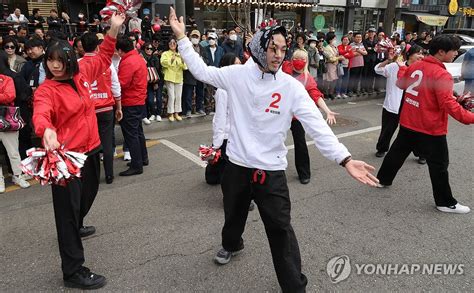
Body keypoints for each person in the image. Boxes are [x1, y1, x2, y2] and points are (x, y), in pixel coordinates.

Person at [169, 7, 378, 292]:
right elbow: (201, 70)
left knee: (280, 229)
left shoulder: (291, 87)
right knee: (233, 214)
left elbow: (317, 125)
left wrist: (345, 158)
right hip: (238, 166)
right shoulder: (236, 76)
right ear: (258, 48)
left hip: (271, 171)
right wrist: (182, 38)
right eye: (272, 48)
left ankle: (295, 286)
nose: (279, 54)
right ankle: (232, 244)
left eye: (283, 49)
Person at [32, 12, 125, 289]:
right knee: (66, 213)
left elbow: (105, 57)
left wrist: (113, 30)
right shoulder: (46, 89)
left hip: (90, 149)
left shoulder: (82, 75)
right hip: (64, 159)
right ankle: (73, 271)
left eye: (60, 60)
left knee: (89, 193)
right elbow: (41, 114)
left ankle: (76, 222)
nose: (55, 65)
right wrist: (46, 130)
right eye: (50, 60)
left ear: (71, 59)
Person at [377, 35, 474, 214]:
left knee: (397, 153)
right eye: (453, 50)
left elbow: (400, 83)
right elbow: (447, 104)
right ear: (441, 52)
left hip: (409, 120)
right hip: (430, 127)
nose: (455, 54)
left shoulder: (416, 66)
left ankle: (382, 179)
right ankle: (445, 202)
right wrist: (470, 117)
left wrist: (401, 69)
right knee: (439, 165)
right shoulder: (441, 73)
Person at [282, 49, 338, 184]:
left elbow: (316, 95)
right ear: (292, 59)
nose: (299, 61)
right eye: (296, 58)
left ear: (306, 61)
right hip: (280, 113)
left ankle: (304, 173)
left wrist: (327, 110)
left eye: (302, 59)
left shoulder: (307, 78)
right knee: (273, 141)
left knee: (300, 143)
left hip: (296, 116)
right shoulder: (284, 68)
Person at [79, 32, 122, 184]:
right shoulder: (106, 62)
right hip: (106, 108)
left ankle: (94, 176)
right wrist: (119, 106)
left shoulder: (77, 64)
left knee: (91, 144)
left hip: (89, 110)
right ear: (97, 46)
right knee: (107, 142)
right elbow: (116, 87)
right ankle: (109, 175)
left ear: (82, 47)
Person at [374, 45, 423, 158]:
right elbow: (377, 69)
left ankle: (420, 153)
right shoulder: (394, 66)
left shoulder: (421, 70)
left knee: (414, 131)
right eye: (418, 53)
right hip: (393, 103)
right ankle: (382, 148)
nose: (421, 56)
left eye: (422, 53)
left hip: (411, 105)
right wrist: (388, 60)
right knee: (387, 129)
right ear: (410, 54)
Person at [116, 35, 148, 176]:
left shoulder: (128, 62)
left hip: (130, 101)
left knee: (131, 134)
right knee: (138, 132)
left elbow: (122, 83)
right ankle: (142, 158)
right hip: (139, 100)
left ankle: (136, 164)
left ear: (120, 50)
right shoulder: (138, 58)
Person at [0, 51, 31, 193]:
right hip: (7, 117)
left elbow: (9, 96)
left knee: (13, 151)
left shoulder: (7, 79)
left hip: (7, 117)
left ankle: (17, 175)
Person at [19, 37, 45, 159]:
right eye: (27, 50)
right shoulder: (27, 64)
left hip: (45, 101)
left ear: (41, 48)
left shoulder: (48, 61)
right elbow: (21, 81)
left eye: (32, 49)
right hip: (29, 103)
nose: (29, 52)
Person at [161, 37, 187, 121]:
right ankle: (171, 113)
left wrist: (182, 61)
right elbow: (163, 63)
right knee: (172, 96)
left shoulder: (180, 54)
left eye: (174, 43)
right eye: (170, 43)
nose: (172, 45)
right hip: (169, 77)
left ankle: (177, 113)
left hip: (179, 77)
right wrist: (171, 60)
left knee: (178, 96)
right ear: (168, 45)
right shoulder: (165, 53)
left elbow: (185, 67)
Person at [182, 30, 206, 117]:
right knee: (188, 93)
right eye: (193, 37)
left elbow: (207, 60)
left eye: (196, 37)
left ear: (199, 38)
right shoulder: (187, 48)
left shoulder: (202, 48)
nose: (195, 38)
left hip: (199, 72)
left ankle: (200, 108)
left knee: (200, 92)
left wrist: (202, 60)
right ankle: (188, 110)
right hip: (189, 73)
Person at [141, 41, 162, 122]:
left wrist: (156, 82)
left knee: (159, 98)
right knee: (150, 99)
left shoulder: (155, 58)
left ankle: (158, 114)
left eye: (151, 48)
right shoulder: (142, 58)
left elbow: (158, 71)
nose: (149, 50)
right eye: (147, 48)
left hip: (157, 81)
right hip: (147, 82)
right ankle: (152, 113)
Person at [348, 32, 367, 97]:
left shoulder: (362, 44)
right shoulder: (351, 44)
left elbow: (365, 53)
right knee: (352, 78)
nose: (359, 38)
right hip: (354, 64)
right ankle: (350, 91)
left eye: (360, 37)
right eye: (357, 37)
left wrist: (358, 50)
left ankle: (355, 90)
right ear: (354, 37)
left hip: (361, 64)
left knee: (358, 78)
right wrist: (361, 52)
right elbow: (352, 54)